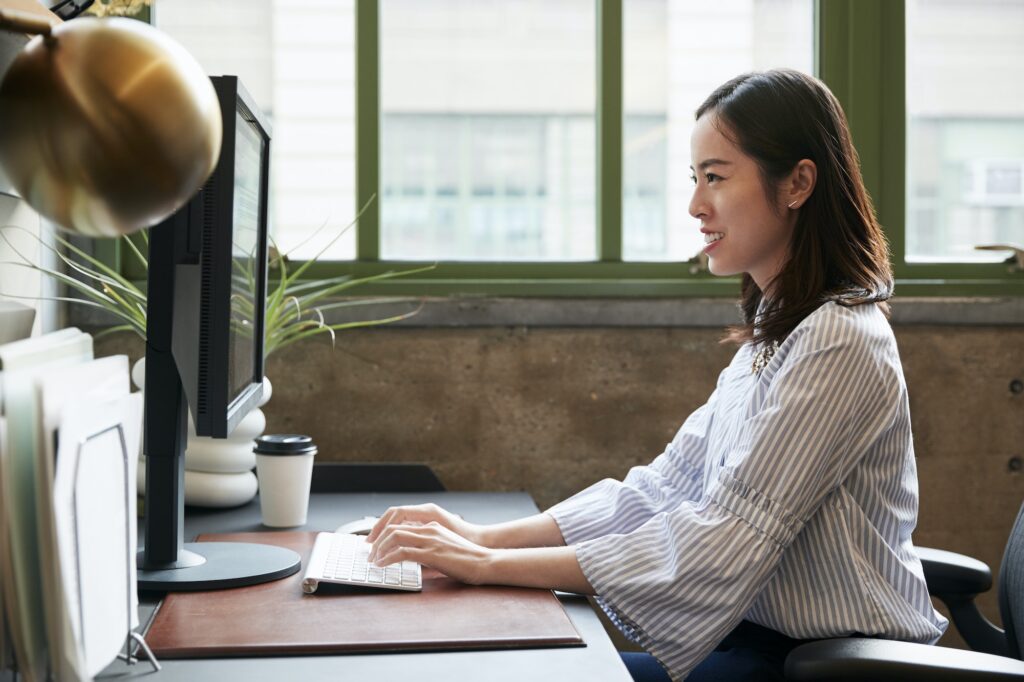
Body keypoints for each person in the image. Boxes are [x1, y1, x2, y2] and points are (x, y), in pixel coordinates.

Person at [365, 69, 948, 681]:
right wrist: (482, 539)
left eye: (716, 177)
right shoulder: (785, 328)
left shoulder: (837, 340)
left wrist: (484, 566)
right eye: (695, 179)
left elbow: (719, 538)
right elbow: (663, 488)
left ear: (799, 183)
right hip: (765, 649)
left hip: (823, 666)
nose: (696, 205)